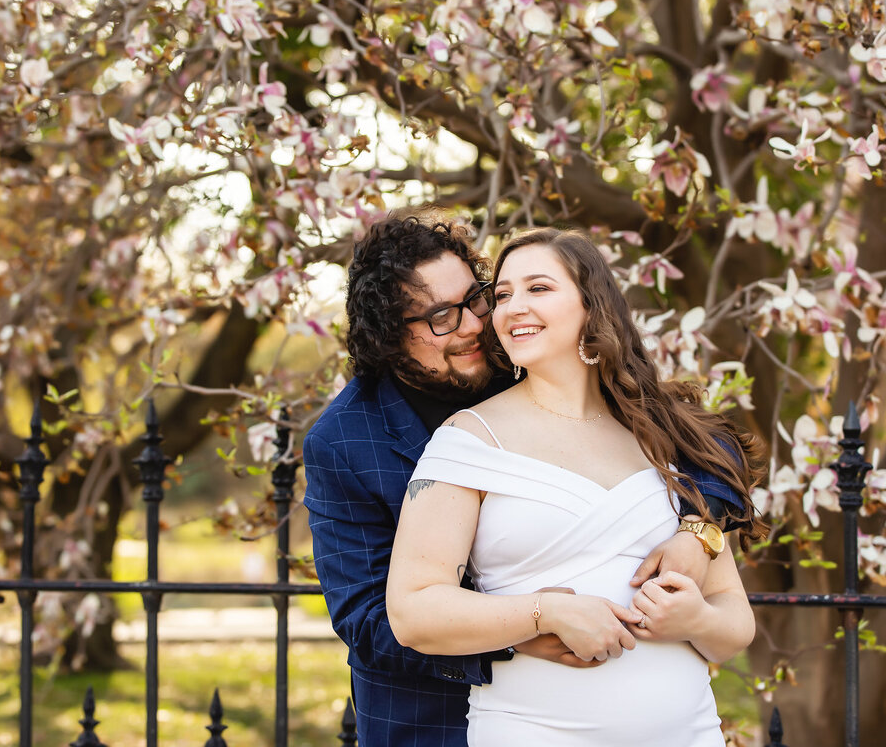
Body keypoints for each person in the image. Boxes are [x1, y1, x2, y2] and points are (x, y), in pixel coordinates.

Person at [303, 211, 749, 746]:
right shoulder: (346, 439)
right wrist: (524, 630)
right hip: (439, 717)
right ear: (390, 336)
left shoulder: (521, 357)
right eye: (440, 316)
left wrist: (700, 531)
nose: (473, 324)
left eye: (475, 300)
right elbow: (369, 619)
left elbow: (706, 445)